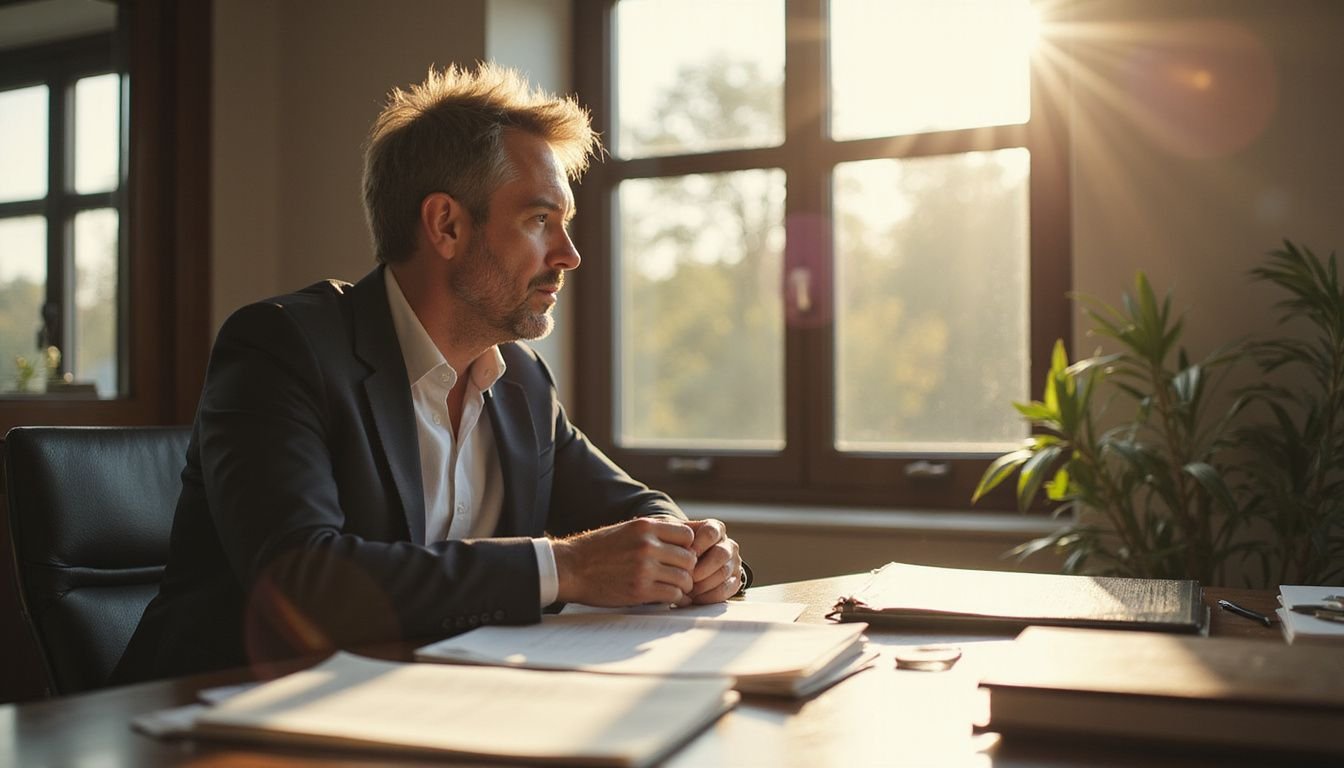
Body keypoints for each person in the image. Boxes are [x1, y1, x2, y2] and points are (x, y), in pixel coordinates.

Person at [114, 63, 745, 683]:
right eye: (539, 221)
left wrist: (695, 550)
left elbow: (632, 508)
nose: (569, 255)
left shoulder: (523, 382)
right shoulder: (280, 348)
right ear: (445, 224)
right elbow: (301, 580)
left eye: (566, 225)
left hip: (421, 709)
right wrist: (567, 567)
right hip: (210, 719)